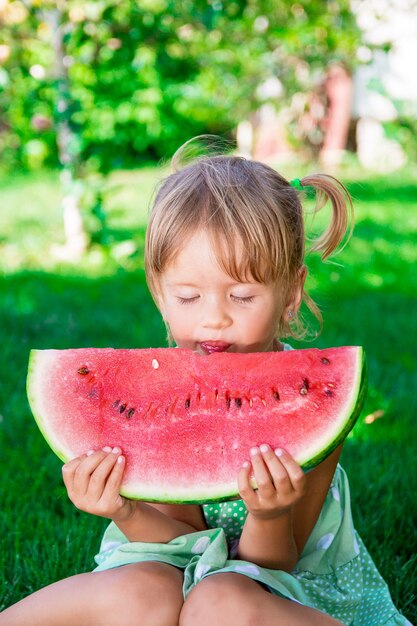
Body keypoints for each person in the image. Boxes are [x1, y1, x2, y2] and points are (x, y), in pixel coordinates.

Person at [1, 138, 410, 626]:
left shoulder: (310, 401)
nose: (213, 320)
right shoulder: (149, 401)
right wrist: (120, 510)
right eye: (188, 297)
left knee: (220, 603)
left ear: (290, 294)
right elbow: (174, 541)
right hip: (161, 567)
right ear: (159, 294)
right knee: (143, 592)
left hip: (280, 593)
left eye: (241, 295)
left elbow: (274, 565)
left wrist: (271, 514)